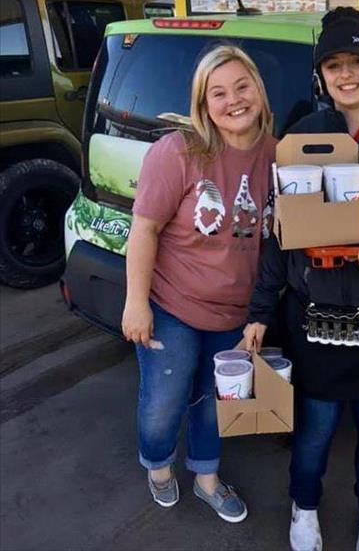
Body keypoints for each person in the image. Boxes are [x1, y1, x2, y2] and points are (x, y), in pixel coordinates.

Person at [244, 7, 359, 551]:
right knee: (314, 428)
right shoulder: (301, 138)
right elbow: (278, 238)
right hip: (314, 316)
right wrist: (259, 313)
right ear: (321, 73)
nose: (347, 74)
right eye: (335, 64)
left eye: (357, 62)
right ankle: (305, 508)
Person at [122, 45, 276, 522]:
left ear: (258, 89)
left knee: (215, 403)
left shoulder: (280, 155)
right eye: (218, 92)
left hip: (236, 311)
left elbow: (281, 243)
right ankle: (159, 466)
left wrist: (261, 314)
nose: (233, 100)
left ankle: (207, 478)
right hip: (172, 304)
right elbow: (144, 230)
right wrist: (135, 303)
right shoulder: (179, 152)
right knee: (164, 403)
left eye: (242, 86)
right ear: (203, 103)